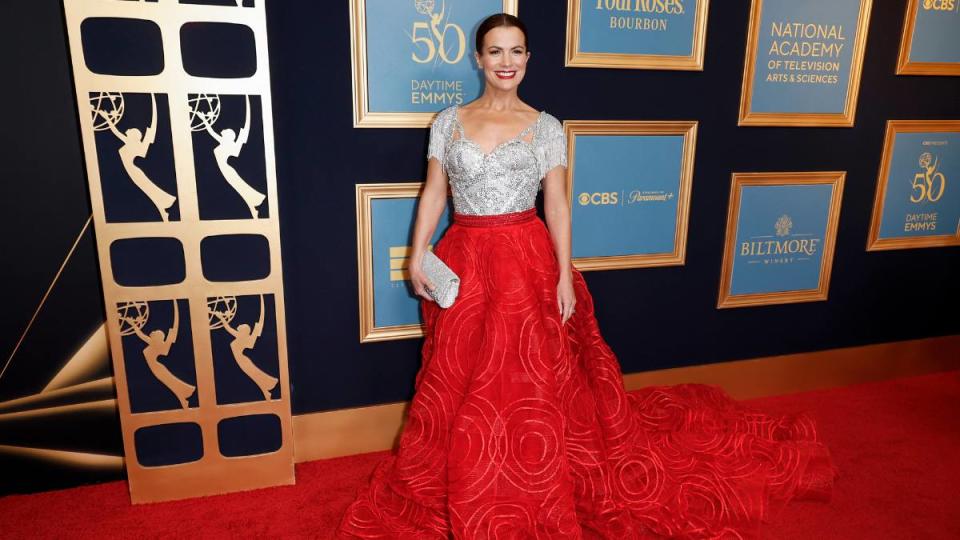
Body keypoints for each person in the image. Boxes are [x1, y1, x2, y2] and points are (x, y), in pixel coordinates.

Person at [336, 14, 835, 539]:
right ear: (477, 58)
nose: (507, 62)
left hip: (526, 261)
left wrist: (564, 277)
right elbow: (434, 192)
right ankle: (461, 471)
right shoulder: (448, 121)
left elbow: (558, 205)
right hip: (464, 259)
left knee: (529, 378)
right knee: (458, 374)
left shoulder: (546, 126)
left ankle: (531, 472)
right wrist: (417, 254)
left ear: (529, 58)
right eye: (496, 51)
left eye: (517, 51)